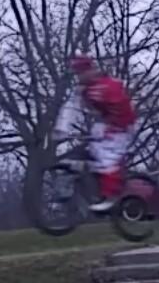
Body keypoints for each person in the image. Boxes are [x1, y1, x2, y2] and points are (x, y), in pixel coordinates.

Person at [54, 55, 137, 212]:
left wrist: (114, 126)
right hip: (105, 125)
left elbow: (123, 107)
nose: (79, 77)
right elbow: (71, 108)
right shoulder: (83, 90)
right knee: (85, 153)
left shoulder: (108, 86)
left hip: (123, 126)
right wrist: (62, 129)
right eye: (77, 74)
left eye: (81, 73)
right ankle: (85, 184)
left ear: (90, 70)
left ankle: (111, 195)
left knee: (106, 158)